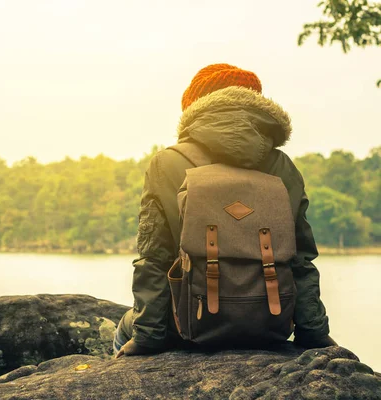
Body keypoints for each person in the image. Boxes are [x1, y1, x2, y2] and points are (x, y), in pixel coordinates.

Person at [114, 63, 336, 358]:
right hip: (269, 326)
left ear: (194, 108)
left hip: (185, 327)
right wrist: (314, 332)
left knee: (122, 329)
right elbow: (301, 259)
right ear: (257, 106)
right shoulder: (282, 167)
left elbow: (154, 258)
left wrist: (148, 337)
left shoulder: (167, 164)